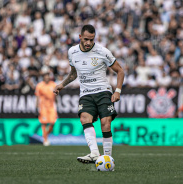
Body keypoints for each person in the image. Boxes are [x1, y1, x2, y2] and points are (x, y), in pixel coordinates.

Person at [53, 24, 125, 164]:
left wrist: (118, 91)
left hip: (103, 91)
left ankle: (108, 158)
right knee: (84, 118)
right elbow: (74, 74)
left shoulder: (103, 52)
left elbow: (120, 70)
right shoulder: (72, 52)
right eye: (86, 39)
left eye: (91, 40)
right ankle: (94, 153)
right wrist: (62, 85)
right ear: (80, 37)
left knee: (105, 123)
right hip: (85, 93)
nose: (88, 43)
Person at [35, 72, 58, 146]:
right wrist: (36, 108)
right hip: (43, 107)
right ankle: (45, 140)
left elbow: (56, 96)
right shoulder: (39, 86)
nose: (47, 77)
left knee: (52, 123)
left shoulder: (53, 84)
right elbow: (37, 98)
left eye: (48, 76)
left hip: (51, 107)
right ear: (43, 77)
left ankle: (45, 135)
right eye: (45, 76)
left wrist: (57, 105)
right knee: (44, 123)